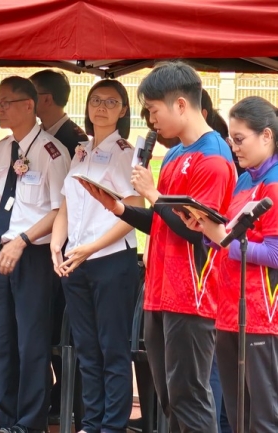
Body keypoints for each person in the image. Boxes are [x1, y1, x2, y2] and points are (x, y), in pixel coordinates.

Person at [81, 62, 236, 432]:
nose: (150, 121)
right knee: (170, 397)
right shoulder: (175, 154)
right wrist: (120, 208)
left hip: (193, 296)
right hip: (160, 291)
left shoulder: (213, 158)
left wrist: (153, 193)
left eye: (153, 110)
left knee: (190, 397)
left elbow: (199, 232)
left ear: (180, 104)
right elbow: (162, 224)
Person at [0, 76, 70, 433]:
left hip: (34, 255)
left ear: (29, 105)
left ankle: (29, 421)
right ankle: (5, 415)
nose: (0, 109)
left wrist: (23, 240)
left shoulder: (52, 152)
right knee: (1, 339)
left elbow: (60, 210)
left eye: (6, 102)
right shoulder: (2, 149)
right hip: (2, 252)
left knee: (31, 342)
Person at [177, 96, 278, 432]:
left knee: (263, 417)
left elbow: (275, 254)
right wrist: (206, 230)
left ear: (266, 135)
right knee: (237, 416)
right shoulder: (245, 179)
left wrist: (223, 239)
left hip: (263, 315)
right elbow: (230, 233)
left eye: (239, 139)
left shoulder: (274, 182)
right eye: (231, 139)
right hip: (230, 310)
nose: (233, 147)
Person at [51, 80, 141, 433]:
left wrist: (91, 247)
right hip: (76, 260)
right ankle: (91, 422)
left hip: (111, 260)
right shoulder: (81, 151)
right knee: (87, 348)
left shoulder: (126, 153)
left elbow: (134, 211)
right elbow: (65, 204)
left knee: (112, 348)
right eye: (95, 100)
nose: (101, 107)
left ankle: (113, 425)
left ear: (123, 110)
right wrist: (56, 244)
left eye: (111, 102)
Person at [29, 69, 89, 422]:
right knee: (48, 326)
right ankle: (57, 396)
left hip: (66, 247)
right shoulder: (44, 136)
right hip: (46, 245)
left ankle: (72, 400)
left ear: (45, 99)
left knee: (66, 329)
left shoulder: (71, 139)